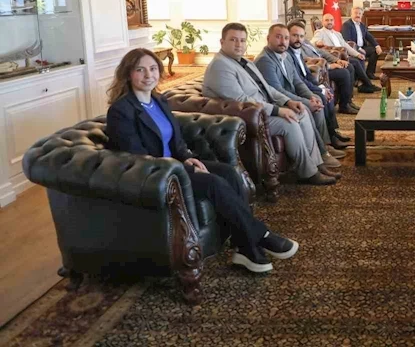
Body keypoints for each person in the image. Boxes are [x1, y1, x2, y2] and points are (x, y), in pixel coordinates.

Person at [105, 48, 299, 273]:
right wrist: (181, 167)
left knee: (229, 173)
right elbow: (138, 156)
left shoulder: (159, 100)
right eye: (140, 70)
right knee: (213, 184)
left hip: (177, 166)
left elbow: (176, 141)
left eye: (152, 68)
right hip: (156, 175)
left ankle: (246, 249)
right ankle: (261, 235)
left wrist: (189, 158)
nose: (148, 75)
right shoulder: (121, 111)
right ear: (128, 74)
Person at [203, 23, 337, 185]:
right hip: (245, 117)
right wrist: (278, 110)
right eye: (233, 40)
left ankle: (316, 163)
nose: (239, 44)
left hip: (261, 109)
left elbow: (268, 88)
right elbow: (241, 100)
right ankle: (308, 172)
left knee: (302, 112)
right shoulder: (220, 65)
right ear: (222, 42)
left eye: (242, 40)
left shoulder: (243, 61)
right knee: (290, 123)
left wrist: (288, 101)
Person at [254, 25, 345, 176]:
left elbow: (297, 81)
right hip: (278, 102)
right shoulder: (265, 60)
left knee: (317, 101)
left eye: (286, 38)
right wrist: (307, 102)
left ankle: (322, 149)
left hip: (290, 97)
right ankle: (321, 152)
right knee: (307, 109)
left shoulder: (286, 55)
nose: (283, 41)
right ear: (268, 38)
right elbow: (277, 91)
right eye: (278, 37)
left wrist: (311, 96)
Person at [285, 21, 352, 145]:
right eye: (294, 35)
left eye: (301, 36)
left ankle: (333, 132)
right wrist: (320, 90)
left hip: (306, 83)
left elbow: (307, 74)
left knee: (328, 90)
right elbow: (299, 80)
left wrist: (321, 86)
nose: (298, 39)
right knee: (321, 95)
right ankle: (330, 139)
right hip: (297, 90)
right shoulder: (288, 54)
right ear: (287, 35)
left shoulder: (298, 48)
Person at [293, 20, 359, 114]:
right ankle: (344, 106)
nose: (299, 37)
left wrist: (337, 60)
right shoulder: (296, 47)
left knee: (349, 67)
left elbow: (321, 52)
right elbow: (307, 62)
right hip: (320, 70)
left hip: (324, 64)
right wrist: (330, 66)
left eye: (302, 34)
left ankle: (348, 101)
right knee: (344, 73)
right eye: (295, 35)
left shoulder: (306, 41)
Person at [312, 13, 380, 93]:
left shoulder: (337, 34)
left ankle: (362, 85)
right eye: (327, 20)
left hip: (343, 56)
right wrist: (317, 42)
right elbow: (313, 42)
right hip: (333, 58)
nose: (329, 22)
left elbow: (346, 46)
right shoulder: (320, 32)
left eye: (331, 20)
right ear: (323, 22)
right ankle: (368, 84)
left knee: (359, 58)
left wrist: (357, 54)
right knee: (355, 62)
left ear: (334, 22)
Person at [341, 7, 382, 79]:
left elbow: (369, 36)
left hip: (362, 47)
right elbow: (347, 41)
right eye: (356, 13)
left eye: (359, 13)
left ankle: (369, 73)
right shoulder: (347, 25)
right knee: (361, 53)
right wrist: (359, 49)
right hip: (352, 49)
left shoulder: (362, 25)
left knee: (375, 51)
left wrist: (377, 46)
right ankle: (362, 77)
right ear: (351, 14)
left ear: (362, 15)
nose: (358, 15)